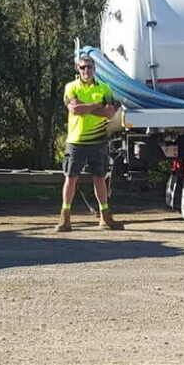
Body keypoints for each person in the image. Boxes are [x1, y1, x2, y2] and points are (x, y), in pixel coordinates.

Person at [56, 52, 122, 232]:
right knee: (70, 178)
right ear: (77, 68)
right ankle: (65, 218)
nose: (86, 70)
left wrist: (87, 107)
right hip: (76, 141)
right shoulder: (71, 87)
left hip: (98, 141)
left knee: (100, 179)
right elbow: (75, 109)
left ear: (94, 68)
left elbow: (109, 113)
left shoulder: (104, 88)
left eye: (90, 67)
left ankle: (105, 217)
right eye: (83, 67)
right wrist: (96, 105)